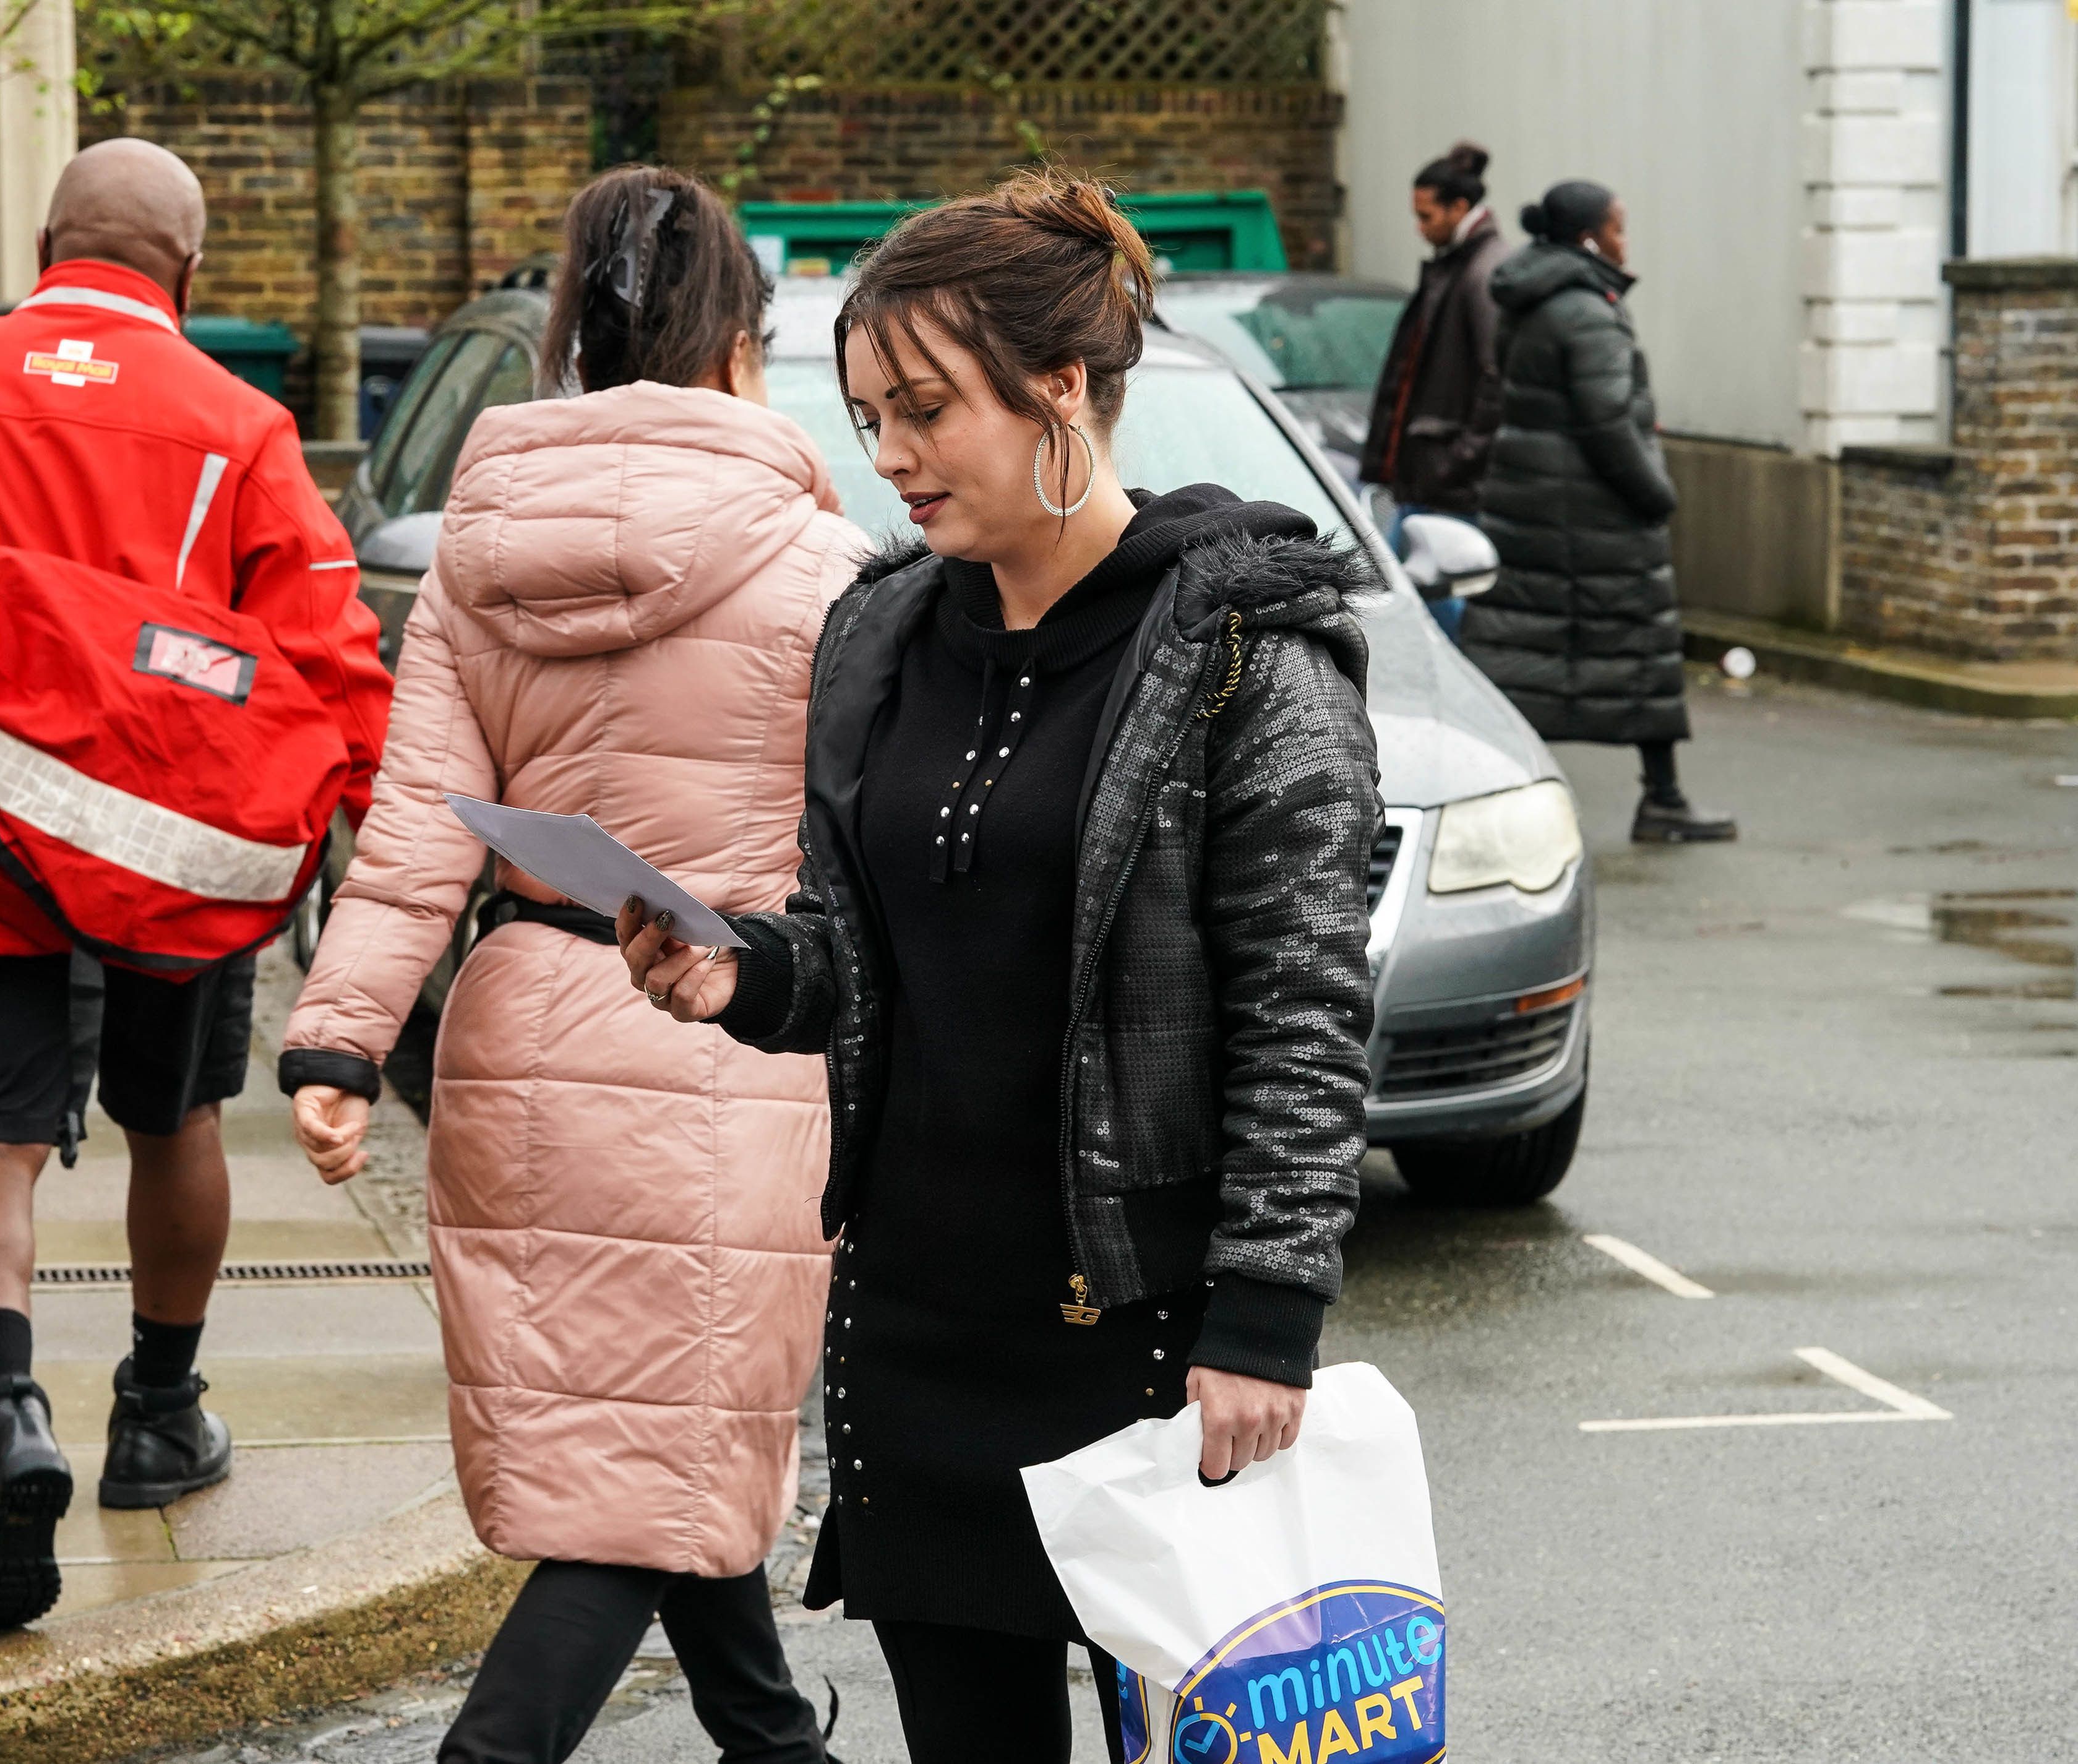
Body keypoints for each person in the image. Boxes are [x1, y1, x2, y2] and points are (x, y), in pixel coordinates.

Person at [618, 170, 1381, 1764]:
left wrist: (1268, 1310)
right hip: (919, 1327)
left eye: (922, 411)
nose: (886, 456)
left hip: (1149, 1342)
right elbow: (858, 952)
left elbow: (1307, 1011)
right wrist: (741, 975)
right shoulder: (882, 631)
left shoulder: (1244, 645)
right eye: (866, 412)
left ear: (1060, 391)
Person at [283, 163, 861, 1764]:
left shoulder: (478, 554)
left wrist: (339, 1045)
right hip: (724, 1040)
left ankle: (772, 1741)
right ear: (740, 336)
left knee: (656, 1442)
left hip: (521, 1031)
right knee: (653, 1472)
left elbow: (411, 835)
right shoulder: (821, 564)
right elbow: (869, 857)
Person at [0, 138, 391, 1632]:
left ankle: (5, 1410)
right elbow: (329, 663)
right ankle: (158, 1415)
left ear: (48, 241)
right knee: (174, 1120)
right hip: (162, 864)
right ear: (190, 268)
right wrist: (363, 848)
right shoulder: (240, 427)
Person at [1461, 180, 1737, 841]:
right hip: (1594, 517)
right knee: (1637, 650)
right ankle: (1662, 800)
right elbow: (1607, 422)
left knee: (1523, 652)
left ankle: (1507, 803)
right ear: (1588, 237)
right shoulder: (1586, 309)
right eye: (1617, 227)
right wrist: (1656, 495)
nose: (1623, 239)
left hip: (1529, 504)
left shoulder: (1530, 299)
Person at [1360, 140, 1506, 642]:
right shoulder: (1460, 264)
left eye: (1426, 215)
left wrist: (1456, 461)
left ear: (1459, 208)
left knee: (1431, 623)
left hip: (1443, 483)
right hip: (1428, 478)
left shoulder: (1480, 272)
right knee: (1406, 607)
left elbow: (1496, 380)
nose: (1420, 227)